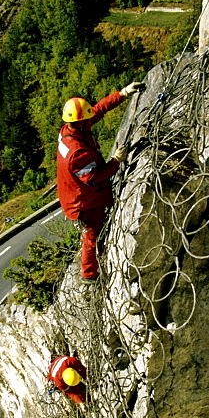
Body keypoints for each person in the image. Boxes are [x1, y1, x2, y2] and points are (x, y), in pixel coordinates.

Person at [56, 83, 143, 280]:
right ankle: (88, 275)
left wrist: (122, 94)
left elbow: (97, 110)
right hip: (82, 202)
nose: (90, 120)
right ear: (79, 122)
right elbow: (95, 177)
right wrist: (116, 161)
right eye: (86, 119)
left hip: (72, 191)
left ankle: (91, 267)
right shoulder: (77, 152)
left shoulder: (70, 130)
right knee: (91, 235)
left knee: (93, 233)